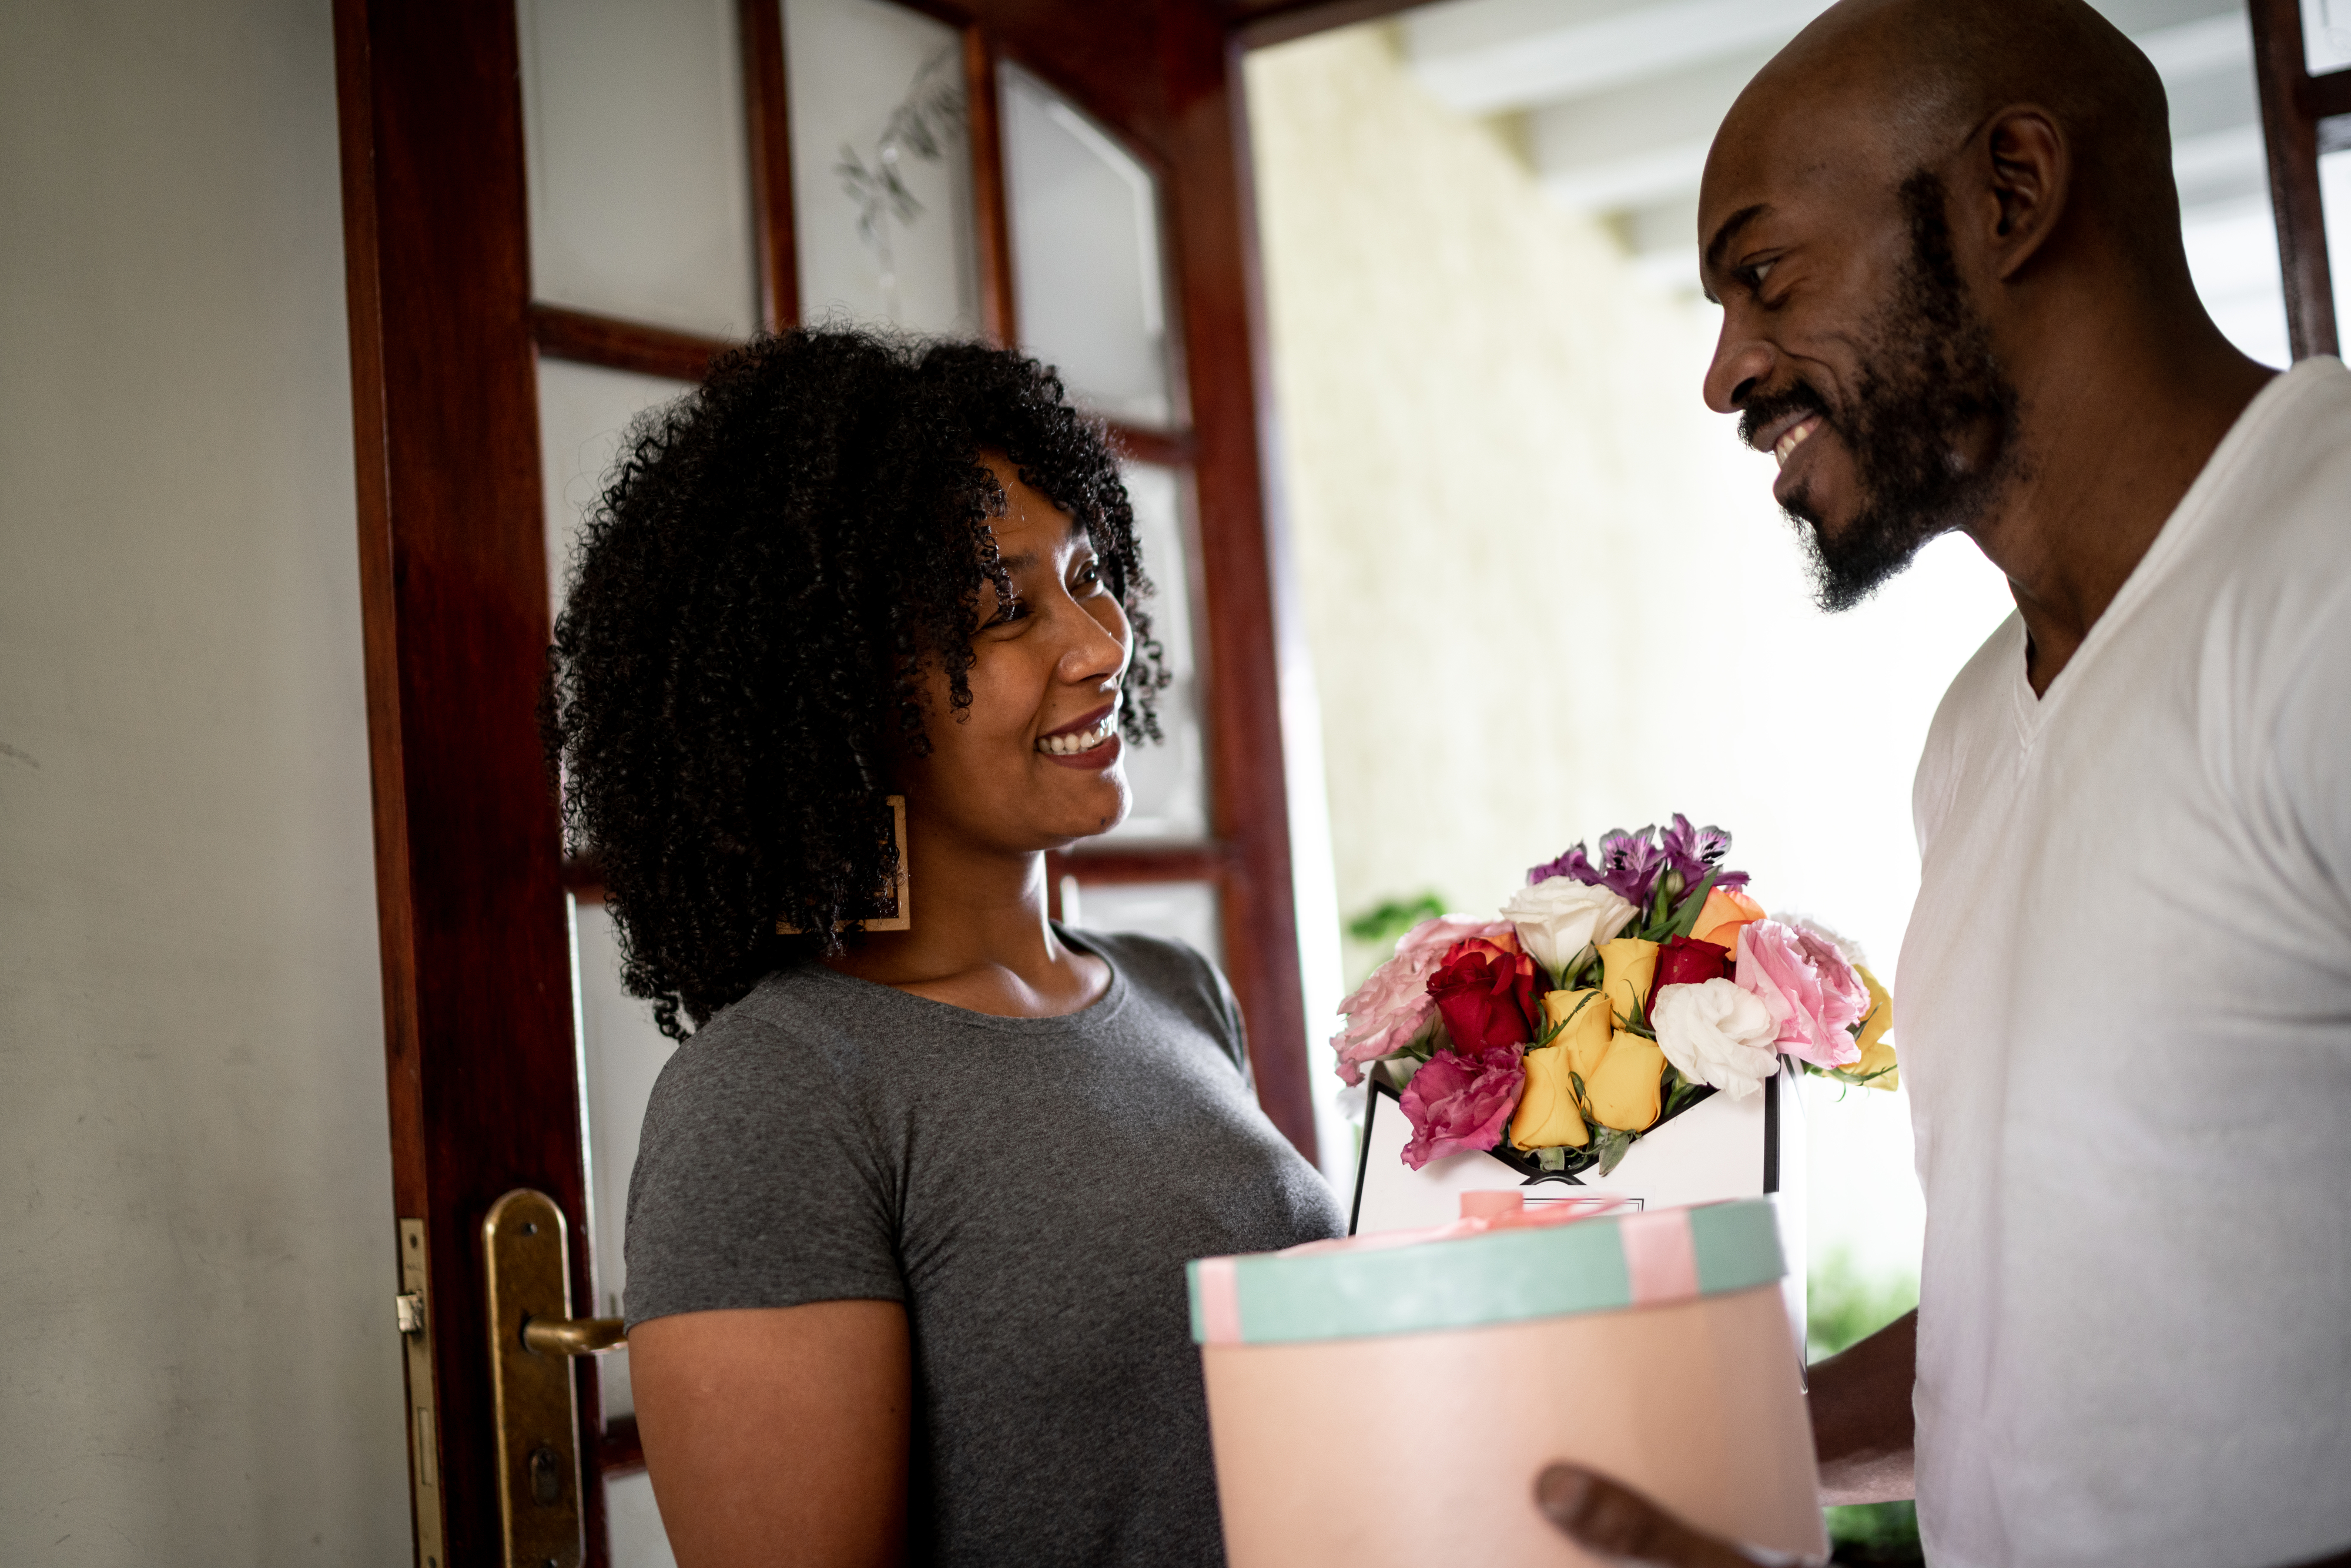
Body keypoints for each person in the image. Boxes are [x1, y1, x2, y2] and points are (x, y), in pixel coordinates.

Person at [1535, 1, 2351, 1564]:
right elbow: (2049, 1337)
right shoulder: (1975, 731)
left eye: (1763, 273)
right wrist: (1706, 1449)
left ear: (2013, 195)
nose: (1724, 376)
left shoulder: (2324, 570)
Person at [543, 327, 1344, 1567]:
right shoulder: (776, 1093)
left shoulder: (1176, 990)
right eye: (1005, 612)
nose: (1096, 645)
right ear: (834, 688)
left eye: (1088, 575)